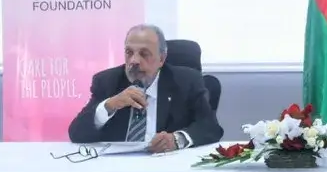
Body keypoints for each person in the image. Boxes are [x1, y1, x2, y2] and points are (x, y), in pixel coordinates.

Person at [68, 24, 224, 151]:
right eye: (129, 52)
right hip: (119, 168)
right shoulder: (107, 82)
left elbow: (210, 127)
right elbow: (76, 133)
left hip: (167, 166)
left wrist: (177, 140)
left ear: (161, 59)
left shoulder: (186, 81)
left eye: (144, 54)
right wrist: (109, 105)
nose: (134, 61)